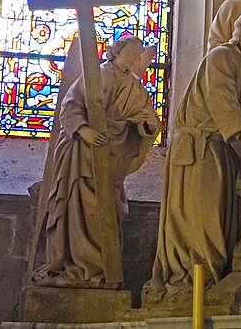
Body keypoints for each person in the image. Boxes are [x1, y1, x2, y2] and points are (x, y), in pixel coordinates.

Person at [143, 11, 241, 303]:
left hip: (224, 149)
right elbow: (222, 102)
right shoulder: (222, 57)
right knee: (201, 217)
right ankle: (190, 276)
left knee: (221, 218)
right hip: (200, 150)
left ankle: (209, 275)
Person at [33, 35, 160, 288]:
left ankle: (100, 270)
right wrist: (84, 131)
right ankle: (77, 268)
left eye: (138, 55)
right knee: (81, 209)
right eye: (131, 54)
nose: (135, 59)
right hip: (83, 157)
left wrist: (146, 126)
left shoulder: (135, 87)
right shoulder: (97, 75)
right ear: (118, 51)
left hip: (112, 161)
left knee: (108, 213)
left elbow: (147, 119)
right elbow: (71, 105)